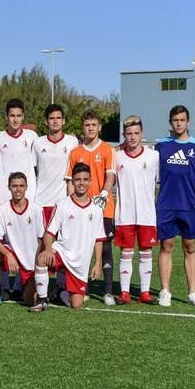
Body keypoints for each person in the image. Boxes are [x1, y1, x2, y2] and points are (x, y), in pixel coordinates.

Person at [155, 105, 195, 307]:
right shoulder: (160, 146)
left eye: (182, 120)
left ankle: (192, 292)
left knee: (190, 247)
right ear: (170, 122)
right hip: (165, 205)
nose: (179, 123)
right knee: (167, 246)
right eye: (175, 120)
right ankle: (165, 292)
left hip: (190, 205)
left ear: (188, 122)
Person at [35, 162, 107, 310]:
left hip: (80, 264)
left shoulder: (97, 209)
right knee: (42, 258)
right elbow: (49, 233)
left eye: (85, 179)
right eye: (78, 179)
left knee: (76, 305)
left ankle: (61, 292)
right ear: (72, 181)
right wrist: (48, 248)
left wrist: (98, 263)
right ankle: (42, 300)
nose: (82, 183)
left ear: (90, 182)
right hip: (62, 252)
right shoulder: (62, 205)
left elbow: (99, 239)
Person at [65, 110, 117, 305]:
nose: (91, 128)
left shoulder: (107, 150)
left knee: (105, 247)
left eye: (94, 125)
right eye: (87, 125)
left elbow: (110, 175)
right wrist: (71, 202)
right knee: (80, 247)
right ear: (83, 128)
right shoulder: (75, 152)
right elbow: (70, 180)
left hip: (103, 207)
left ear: (99, 127)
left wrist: (103, 194)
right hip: (80, 208)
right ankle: (81, 287)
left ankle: (108, 291)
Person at [34, 104, 79, 302]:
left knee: (63, 245)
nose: (55, 121)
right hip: (41, 202)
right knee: (41, 247)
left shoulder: (72, 142)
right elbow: (31, 169)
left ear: (64, 121)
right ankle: (37, 287)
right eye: (51, 118)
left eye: (58, 118)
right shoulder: (37, 143)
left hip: (62, 203)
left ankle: (61, 287)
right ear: (46, 121)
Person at [113, 116, 159, 305]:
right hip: (125, 214)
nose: (133, 137)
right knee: (126, 253)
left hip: (147, 214)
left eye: (136, 133)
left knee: (146, 252)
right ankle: (124, 292)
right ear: (124, 135)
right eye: (129, 134)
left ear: (142, 134)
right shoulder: (117, 156)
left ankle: (145, 292)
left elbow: (162, 183)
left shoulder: (153, 156)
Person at [0, 172, 45, 309]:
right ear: (9, 187)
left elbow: (42, 239)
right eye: (15, 186)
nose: (18, 189)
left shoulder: (36, 209)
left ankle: (33, 288)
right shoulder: (2, 210)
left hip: (30, 263)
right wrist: (8, 255)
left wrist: (37, 263)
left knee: (29, 300)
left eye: (21, 186)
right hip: (13, 254)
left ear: (26, 187)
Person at [0, 99, 38, 204]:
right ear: (6, 117)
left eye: (18, 116)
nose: (15, 119)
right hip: (4, 193)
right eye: (12, 116)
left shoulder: (32, 136)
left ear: (23, 117)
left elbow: (37, 164)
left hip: (28, 193)